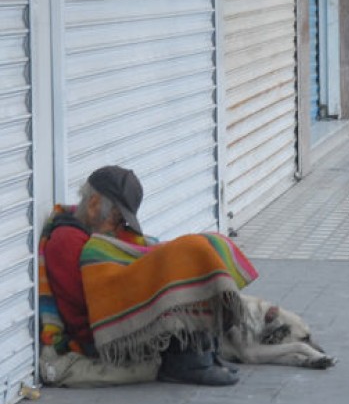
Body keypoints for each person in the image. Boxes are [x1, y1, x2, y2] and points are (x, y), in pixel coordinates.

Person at [39, 165, 259, 387]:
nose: (118, 229)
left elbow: (129, 262)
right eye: (116, 219)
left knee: (199, 250)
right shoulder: (66, 240)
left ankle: (201, 352)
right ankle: (187, 363)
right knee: (186, 254)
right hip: (102, 335)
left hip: (115, 317)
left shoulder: (90, 232)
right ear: (94, 205)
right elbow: (89, 304)